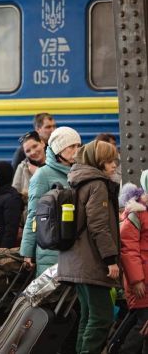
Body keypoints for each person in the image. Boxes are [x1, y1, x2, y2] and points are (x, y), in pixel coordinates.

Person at [56, 140, 120, 354]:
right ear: (97, 161)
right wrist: (110, 259)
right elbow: (99, 226)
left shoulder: (78, 180)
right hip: (91, 262)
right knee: (102, 317)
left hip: (76, 260)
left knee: (88, 316)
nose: (114, 165)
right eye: (109, 161)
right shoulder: (97, 185)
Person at [20, 126, 81, 277]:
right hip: (52, 252)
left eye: (78, 146)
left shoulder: (80, 173)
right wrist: (27, 253)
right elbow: (33, 215)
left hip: (78, 251)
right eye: (71, 146)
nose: (77, 150)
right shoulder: (42, 175)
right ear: (59, 150)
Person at [119, 173, 148, 353]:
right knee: (143, 325)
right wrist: (136, 280)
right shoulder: (137, 213)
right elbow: (128, 249)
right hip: (142, 281)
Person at [12, 131, 47, 198]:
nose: (33, 152)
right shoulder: (22, 167)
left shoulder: (57, 163)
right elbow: (14, 196)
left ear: (42, 143)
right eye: (28, 151)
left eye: (35, 146)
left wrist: (38, 173)